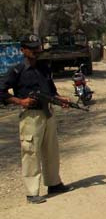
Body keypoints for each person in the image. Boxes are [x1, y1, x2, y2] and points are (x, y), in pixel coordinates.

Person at [0, 35, 71, 204]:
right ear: (23, 50)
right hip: (30, 117)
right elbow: (1, 92)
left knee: (51, 150)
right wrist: (20, 101)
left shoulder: (44, 68)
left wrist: (61, 100)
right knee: (31, 153)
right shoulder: (17, 71)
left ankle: (54, 183)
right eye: (31, 48)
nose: (35, 51)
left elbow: (51, 91)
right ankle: (32, 192)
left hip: (48, 113)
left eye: (37, 48)